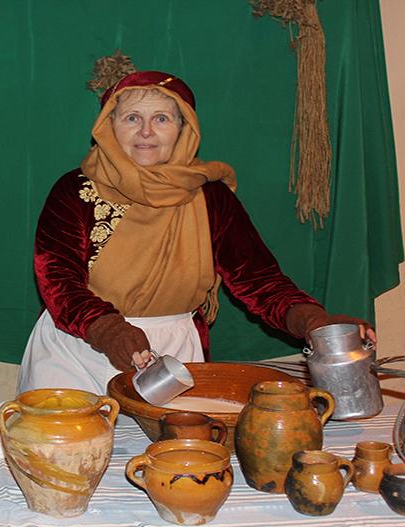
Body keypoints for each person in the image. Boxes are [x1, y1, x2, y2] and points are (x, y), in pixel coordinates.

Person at [18, 70, 375, 395]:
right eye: (132, 118)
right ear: (109, 126)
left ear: (183, 128)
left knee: (175, 447)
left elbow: (258, 279)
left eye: (161, 118)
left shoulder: (211, 197)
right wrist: (109, 330)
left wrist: (314, 323)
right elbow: (59, 281)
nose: (146, 131)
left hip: (173, 355)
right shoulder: (74, 191)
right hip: (77, 350)